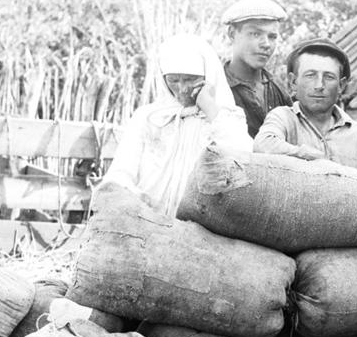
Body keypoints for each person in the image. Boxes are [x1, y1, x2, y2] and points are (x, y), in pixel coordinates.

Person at [99, 34, 252, 216]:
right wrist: (133, 200)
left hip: (202, 224)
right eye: (173, 80)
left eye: (190, 79)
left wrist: (209, 107)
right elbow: (121, 171)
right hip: (146, 219)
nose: (182, 89)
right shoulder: (148, 118)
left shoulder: (224, 117)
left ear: (208, 75)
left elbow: (244, 158)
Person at [254, 38, 357, 178]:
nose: (319, 85)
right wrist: (305, 155)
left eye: (329, 77)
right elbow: (262, 145)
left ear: (341, 86)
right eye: (310, 75)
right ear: (293, 82)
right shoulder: (283, 118)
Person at [221, 0, 292, 137]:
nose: (266, 44)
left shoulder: (279, 90)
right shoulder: (217, 88)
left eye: (272, 36)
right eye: (255, 34)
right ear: (232, 34)